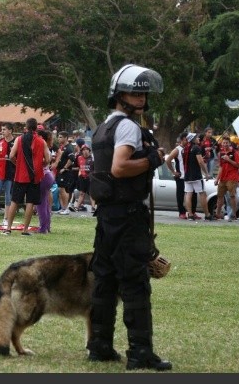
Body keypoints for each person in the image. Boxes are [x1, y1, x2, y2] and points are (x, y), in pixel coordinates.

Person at [86, 64, 171, 371]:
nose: (140, 97)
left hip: (107, 215)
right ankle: (140, 352)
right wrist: (151, 159)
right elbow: (119, 168)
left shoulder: (104, 126)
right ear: (119, 95)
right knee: (135, 283)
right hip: (127, 215)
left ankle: (100, 346)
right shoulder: (128, 127)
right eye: (135, 92)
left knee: (105, 280)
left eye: (143, 92)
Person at [3, 117, 49, 236]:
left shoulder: (19, 139)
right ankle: (25, 230)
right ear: (36, 127)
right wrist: (39, 165)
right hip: (35, 177)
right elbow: (48, 159)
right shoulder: (41, 141)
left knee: (15, 201)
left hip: (20, 175)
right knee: (30, 202)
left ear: (26, 127)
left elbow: (11, 155)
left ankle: (8, 228)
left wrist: (18, 163)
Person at [182, 132, 212, 220]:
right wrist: (206, 173)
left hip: (187, 175)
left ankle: (190, 214)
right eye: (197, 137)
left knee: (188, 194)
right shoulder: (196, 148)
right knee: (202, 193)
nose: (198, 139)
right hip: (196, 176)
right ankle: (207, 215)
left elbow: (191, 160)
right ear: (193, 139)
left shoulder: (185, 149)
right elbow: (200, 162)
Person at [214, 135, 239, 222]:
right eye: (223, 143)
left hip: (232, 177)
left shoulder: (234, 152)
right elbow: (221, 167)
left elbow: (238, 165)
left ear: (229, 143)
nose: (225, 144)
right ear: (221, 144)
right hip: (223, 178)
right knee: (220, 196)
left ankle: (234, 215)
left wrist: (229, 160)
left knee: (232, 196)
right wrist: (217, 179)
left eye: (226, 143)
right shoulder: (221, 153)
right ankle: (217, 214)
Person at [35, 129, 55, 234]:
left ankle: (43, 228)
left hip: (43, 175)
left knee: (41, 204)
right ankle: (47, 226)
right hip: (48, 175)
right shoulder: (46, 146)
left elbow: (46, 160)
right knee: (45, 203)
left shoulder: (42, 146)